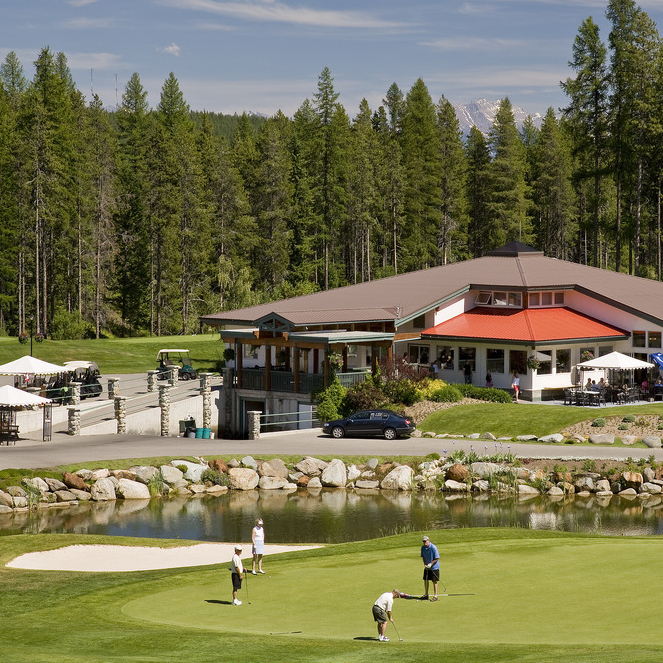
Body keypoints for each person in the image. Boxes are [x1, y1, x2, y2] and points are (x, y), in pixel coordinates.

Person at [420, 535, 440, 601]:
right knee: (425, 580)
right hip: (427, 567)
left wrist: (431, 564)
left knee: (434, 581)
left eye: (425, 541)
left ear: (428, 540)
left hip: (434, 567)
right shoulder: (423, 548)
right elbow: (423, 557)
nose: (424, 542)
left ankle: (435, 596)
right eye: (423, 541)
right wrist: (425, 564)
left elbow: (437, 557)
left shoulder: (433, 547)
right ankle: (426, 594)